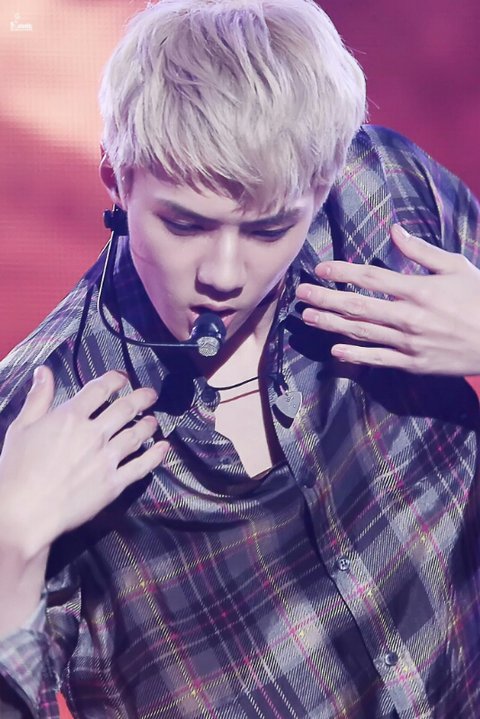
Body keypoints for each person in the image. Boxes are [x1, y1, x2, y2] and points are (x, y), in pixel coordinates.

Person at [0, 0, 479, 716]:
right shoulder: (39, 410)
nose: (224, 274)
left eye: (268, 229)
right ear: (116, 179)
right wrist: (9, 544)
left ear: (324, 182)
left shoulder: (382, 190)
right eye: (185, 224)